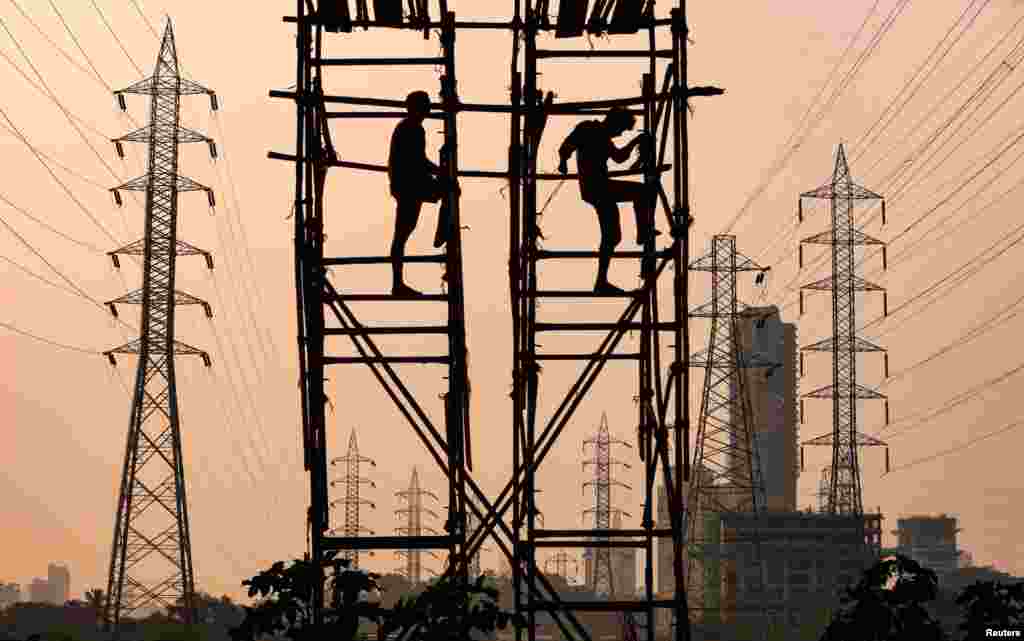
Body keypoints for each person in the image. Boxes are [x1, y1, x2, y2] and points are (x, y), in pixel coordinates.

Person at [558, 106, 658, 294]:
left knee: (612, 237)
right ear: (615, 123)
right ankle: (644, 232)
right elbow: (566, 146)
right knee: (643, 192)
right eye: (621, 129)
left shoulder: (601, 135)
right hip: (598, 187)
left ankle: (601, 282)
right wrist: (563, 161)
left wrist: (635, 140)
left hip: (598, 189)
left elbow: (619, 157)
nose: (620, 133)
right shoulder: (589, 129)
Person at [387, 90, 452, 297]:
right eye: (425, 105)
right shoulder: (410, 128)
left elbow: (417, 161)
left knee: (403, 233)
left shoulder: (411, 127)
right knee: (401, 235)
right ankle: (397, 284)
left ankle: (398, 283)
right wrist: (439, 172)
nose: (428, 108)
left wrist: (436, 174)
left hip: (408, 184)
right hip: (409, 185)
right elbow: (417, 161)